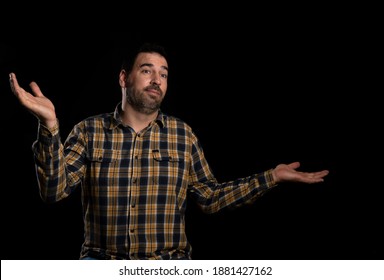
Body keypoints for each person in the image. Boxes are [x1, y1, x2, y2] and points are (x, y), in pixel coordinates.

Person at [9, 42, 329, 260]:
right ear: (124, 77)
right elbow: (53, 192)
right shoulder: (88, 131)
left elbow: (210, 198)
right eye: (147, 70)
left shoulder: (182, 135)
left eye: (163, 74)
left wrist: (271, 177)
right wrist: (50, 125)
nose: (157, 80)